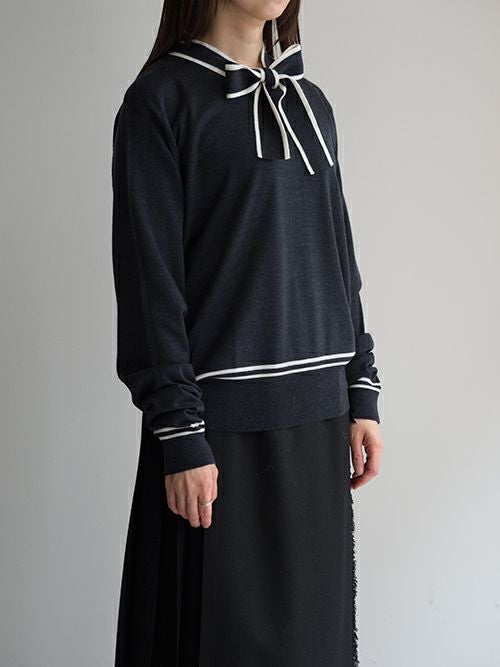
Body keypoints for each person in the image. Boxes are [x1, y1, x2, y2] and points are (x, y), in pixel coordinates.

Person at [111, 1, 384, 665]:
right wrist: (180, 433)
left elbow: (338, 257)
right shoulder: (160, 101)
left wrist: (362, 390)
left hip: (318, 424)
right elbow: (150, 283)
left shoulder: (311, 105)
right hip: (216, 433)